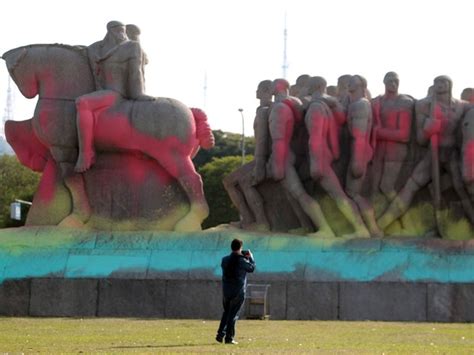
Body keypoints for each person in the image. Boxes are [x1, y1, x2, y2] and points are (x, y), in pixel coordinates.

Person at [377, 75, 474, 232]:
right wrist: (428, 129)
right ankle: (382, 224)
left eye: (444, 82)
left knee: (462, 189)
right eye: (437, 82)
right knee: (411, 186)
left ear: (450, 85)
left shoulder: (462, 106)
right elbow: (421, 140)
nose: (440, 85)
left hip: (452, 155)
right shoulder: (424, 105)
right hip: (433, 153)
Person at [75, 20, 153, 173]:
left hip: (116, 93)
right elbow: (80, 54)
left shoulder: (131, 47)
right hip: (101, 91)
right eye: (118, 30)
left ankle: (86, 153)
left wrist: (138, 94)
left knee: (82, 102)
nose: (122, 34)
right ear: (109, 32)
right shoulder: (97, 48)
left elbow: (136, 72)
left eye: (123, 30)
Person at [345, 75, 384, 237]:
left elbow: (359, 136)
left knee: (353, 193)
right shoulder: (358, 104)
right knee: (354, 193)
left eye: (353, 82)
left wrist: (357, 160)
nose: (349, 85)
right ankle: (371, 229)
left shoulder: (360, 105)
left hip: (359, 152)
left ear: (361, 85)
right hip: (359, 151)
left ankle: (365, 229)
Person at [216, 238, 256, 345]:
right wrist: (250, 258)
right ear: (240, 247)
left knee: (226, 313)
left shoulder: (224, 260)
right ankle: (229, 338)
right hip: (238, 291)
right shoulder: (242, 261)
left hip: (226, 291)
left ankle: (220, 334)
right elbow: (251, 268)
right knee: (233, 315)